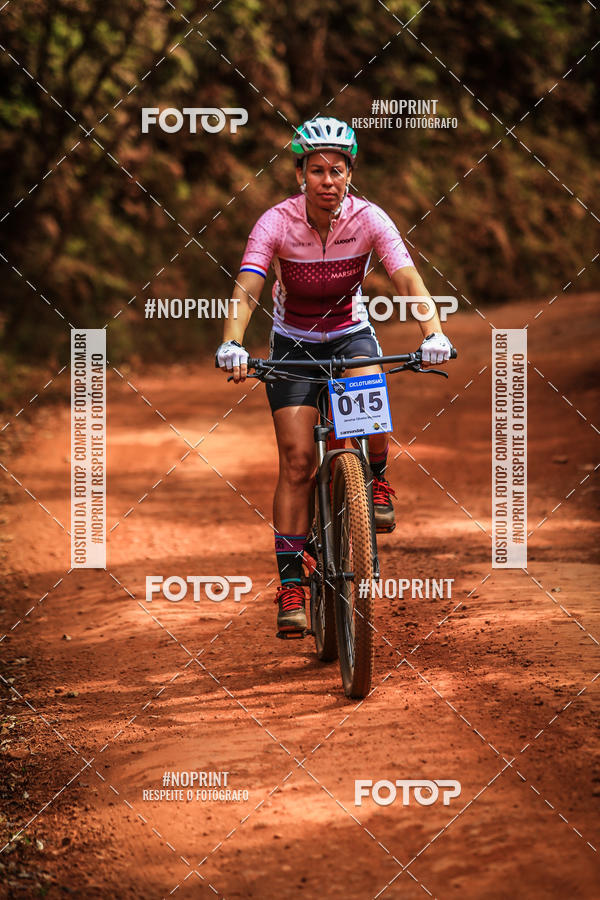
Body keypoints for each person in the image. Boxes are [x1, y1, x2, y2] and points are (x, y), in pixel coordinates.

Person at [216, 116, 453, 636]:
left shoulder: (369, 219)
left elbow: (406, 277)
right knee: (298, 461)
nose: (328, 180)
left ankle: (377, 479)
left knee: (369, 407)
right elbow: (248, 286)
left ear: (350, 174)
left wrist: (432, 332)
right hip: (293, 343)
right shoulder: (275, 223)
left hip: (349, 334)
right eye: (317, 170)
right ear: (300, 174)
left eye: (337, 170)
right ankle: (291, 586)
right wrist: (233, 341)